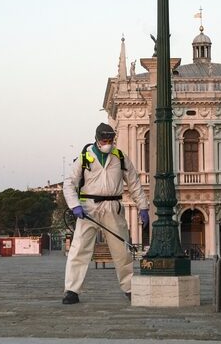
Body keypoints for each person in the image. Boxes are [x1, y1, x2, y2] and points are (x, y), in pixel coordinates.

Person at [61, 122, 149, 304]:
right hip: (88, 208)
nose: (108, 143)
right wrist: (74, 205)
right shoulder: (84, 158)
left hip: (113, 206)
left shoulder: (120, 157)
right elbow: (69, 183)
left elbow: (134, 183)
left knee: (121, 250)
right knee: (79, 249)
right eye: (104, 140)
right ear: (97, 140)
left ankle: (129, 287)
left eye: (110, 139)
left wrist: (143, 206)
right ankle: (72, 290)